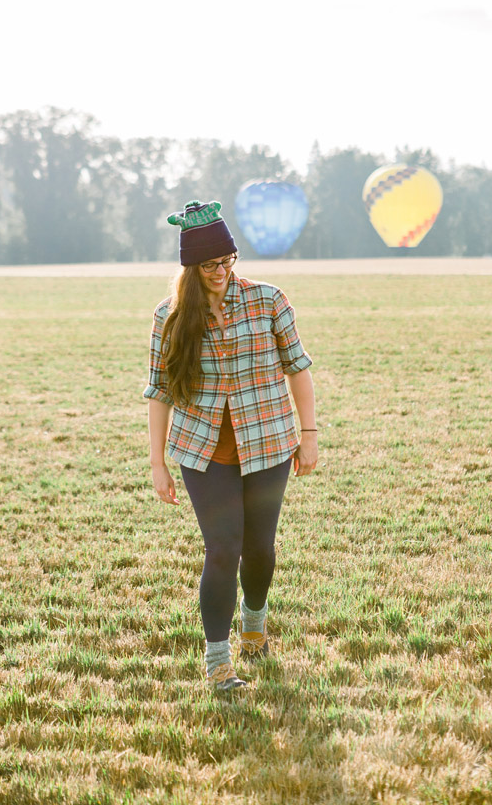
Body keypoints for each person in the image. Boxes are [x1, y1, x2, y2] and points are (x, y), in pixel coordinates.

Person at [143, 199, 318, 692]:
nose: (220, 272)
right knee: (223, 550)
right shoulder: (170, 316)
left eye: (226, 261)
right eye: (208, 265)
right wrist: (157, 463)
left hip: (266, 442)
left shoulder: (268, 300)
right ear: (190, 267)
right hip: (203, 451)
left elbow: (298, 367)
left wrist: (309, 435)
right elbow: (158, 391)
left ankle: (255, 623)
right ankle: (218, 662)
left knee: (259, 549)